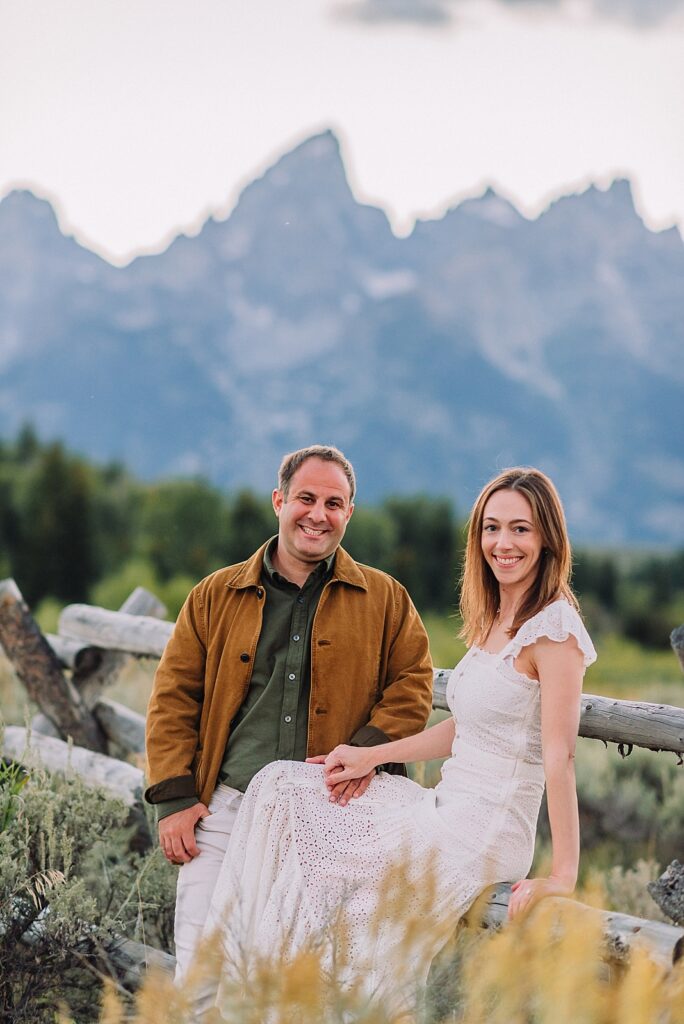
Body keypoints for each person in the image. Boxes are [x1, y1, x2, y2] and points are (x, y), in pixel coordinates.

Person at [205, 466, 597, 1015]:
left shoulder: (554, 630)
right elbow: (471, 727)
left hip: (482, 830)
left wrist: (563, 874)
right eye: (491, 528)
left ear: (549, 540)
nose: (502, 544)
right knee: (283, 788)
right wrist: (373, 754)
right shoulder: (501, 616)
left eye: (521, 530)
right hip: (443, 807)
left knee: (357, 922)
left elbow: (560, 755)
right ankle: (253, 986)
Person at [144, 444, 434, 1001]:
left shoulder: (387, 599)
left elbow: (412, 685)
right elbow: (173, 698)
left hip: (329, 815)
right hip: (225, 810)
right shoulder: (214, 594)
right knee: (202, 980)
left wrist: (367, 752)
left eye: (334, 503)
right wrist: (175, 800)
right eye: (305, 498)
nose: (317, 514)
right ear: (279, 501)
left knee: (301, 987)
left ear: (349, 513)